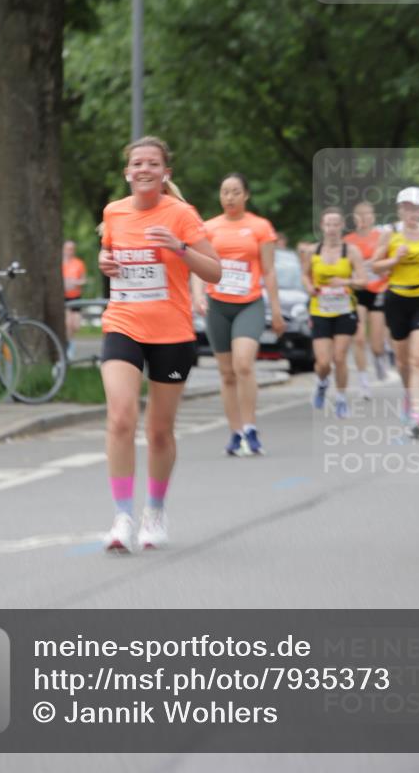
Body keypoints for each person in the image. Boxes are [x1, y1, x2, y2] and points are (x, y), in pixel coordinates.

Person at [98, 136, 221, 553]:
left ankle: (154, 510)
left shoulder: (181, 214)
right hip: (123, 324)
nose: (144, 169)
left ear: (165, 172)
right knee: (120, 417)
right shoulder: (113, 212)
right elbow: (110, 256)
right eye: (137, 163)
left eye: (153, 163)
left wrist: (179, 248)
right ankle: (122, 517)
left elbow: (215, 271)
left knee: (160, 431)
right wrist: (104, 262)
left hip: (172, 333)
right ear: (127, 173)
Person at [191, 173, 284, 456]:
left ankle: (251, 428)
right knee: (227, 372)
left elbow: (269, 270)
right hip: (218, 305)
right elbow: (199, 266)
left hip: (249, 303)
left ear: (246, 195)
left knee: (243, 364)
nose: (229, 197)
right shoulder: (208, 227)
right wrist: (198, 295)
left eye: (235, 192)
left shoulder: (260, 227)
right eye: (225, 192)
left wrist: (276, 310)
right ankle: (235, 432)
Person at [371, 187, 419, 438]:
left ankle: (417, 416)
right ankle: (409, 394)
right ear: (399, 209)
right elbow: (375, 266)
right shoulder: (390, 233)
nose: (411, 212)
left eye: (416, 208)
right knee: (402, 361)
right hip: (397, 299)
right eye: (406, 207)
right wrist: (393, 260)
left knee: (418, 357)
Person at [302, 207, 365, 418]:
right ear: (322, 226)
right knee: (323, 362)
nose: (331, 228)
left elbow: (363, 281)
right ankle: (322, 383)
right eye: (328, 224)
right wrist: (309, 287)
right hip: (320, 310)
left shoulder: (351, 251)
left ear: (342, 226)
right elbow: (305, 275)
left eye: (336, 224)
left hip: (344, 310)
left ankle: (341, 399)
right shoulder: (312, 251)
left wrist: (345, 281)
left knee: (339, 358)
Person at [344, 201, 389, 398]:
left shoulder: (382, 237)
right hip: (358, 291)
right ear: (354, 218)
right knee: (359, 338)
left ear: (373, 217)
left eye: (367, 214)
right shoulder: (348, 241)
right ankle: (363, 382)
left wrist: (384, 269)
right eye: (359, 215)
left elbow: (390, 263)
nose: (363, 219)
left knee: (376, 343)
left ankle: (380, 356)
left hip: (378, 289)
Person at [61, 240, 87, 359]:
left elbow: (84, 280)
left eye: (72, 249)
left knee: (75, 325)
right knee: (68, 324)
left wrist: (75, 282)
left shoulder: (79, 263)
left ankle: (70, 341)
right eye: (67, 248)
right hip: (64, 297)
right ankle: (69, 347)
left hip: (76, 296)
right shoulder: (61, 264)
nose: (69, 251)